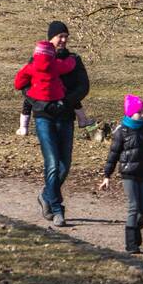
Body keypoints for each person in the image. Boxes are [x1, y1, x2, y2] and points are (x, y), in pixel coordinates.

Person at [18, 21, 90, 227]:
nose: (64, 40)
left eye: (66, 36)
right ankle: (58, 209)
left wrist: (64, 102)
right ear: (51, 38)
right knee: (52, 163)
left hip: (66, 116)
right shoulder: (38, 58)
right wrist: (40, 104)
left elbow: (83, 86)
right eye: (60, 36)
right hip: (44, 117)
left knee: (64, 165)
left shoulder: (74, 60)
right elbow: (24, 86)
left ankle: (45, 196)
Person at [99, 95, 143, 254]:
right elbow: (113, 155)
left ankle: (136, 229)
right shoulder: (121, 131)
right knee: (134, 206)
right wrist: (107, 176)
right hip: (128, 174)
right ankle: (131, 244)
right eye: (140, 112)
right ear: (130, 113)